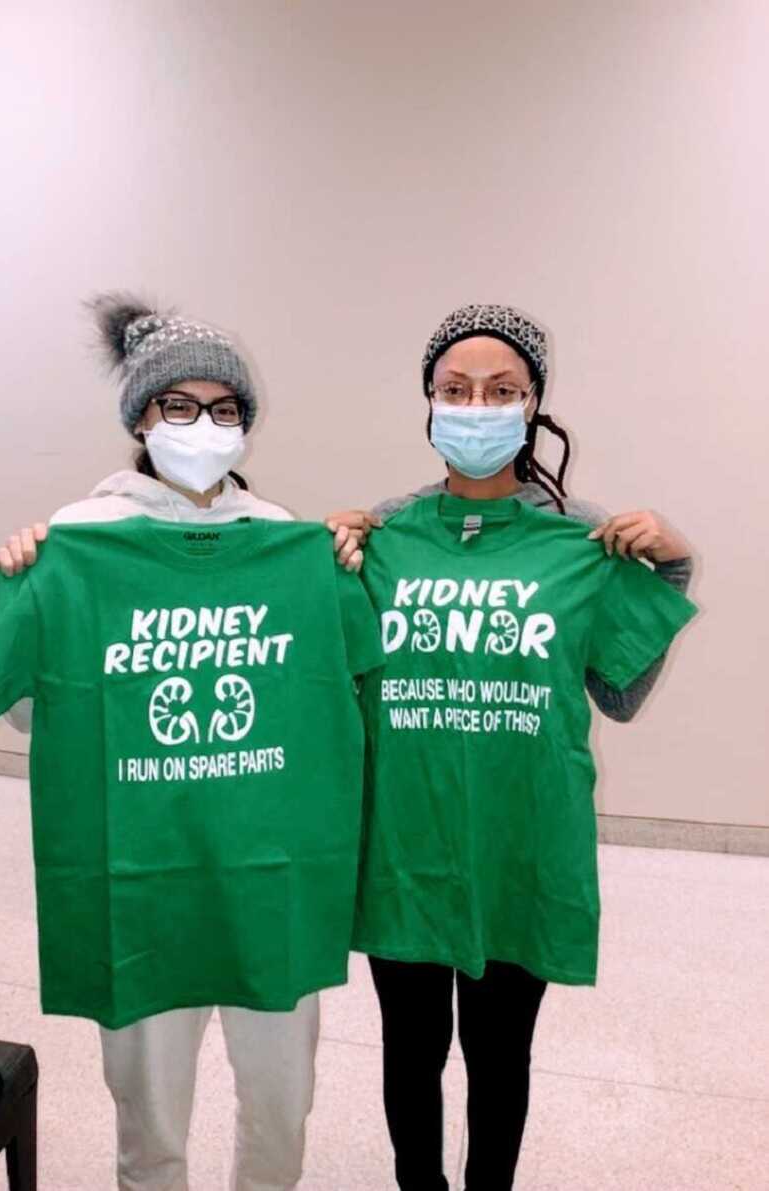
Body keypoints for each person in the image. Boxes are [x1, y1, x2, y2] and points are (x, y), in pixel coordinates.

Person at [0, 294, 374, 1191]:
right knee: (149, 1120)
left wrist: (343, 575)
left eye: (224, 409)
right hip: (145, 882)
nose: (203, 425)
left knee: (283, 1102)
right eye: (179, 406)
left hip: (268, 877)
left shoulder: (286, 541)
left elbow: (350, 683)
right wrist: (35, 595)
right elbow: (35, 714)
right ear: (142, 419)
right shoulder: (80, 540)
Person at [333, 304, 697, 1191]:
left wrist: (674, 569)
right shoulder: (383, 535)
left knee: (500, 1057)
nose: (478, 405)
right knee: (409, 1051)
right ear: (427, 402)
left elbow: (617, 691)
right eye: (456, 389)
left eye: (501, 390)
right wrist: (326, 563)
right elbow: (328, 688)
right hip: (406, 851)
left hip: (518, 848)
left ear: (533, 403)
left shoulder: (582, 539)